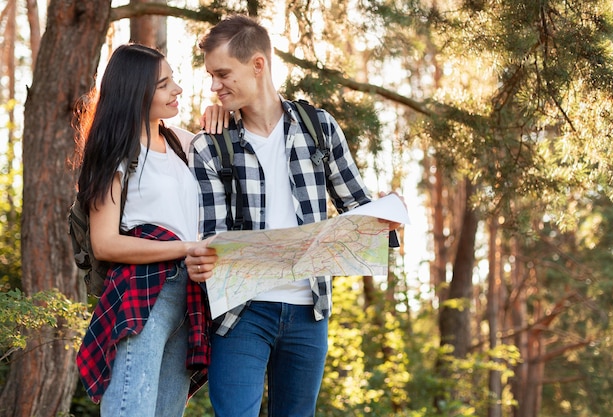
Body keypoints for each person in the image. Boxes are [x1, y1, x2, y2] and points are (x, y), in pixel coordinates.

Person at [185, 15, 403, 417]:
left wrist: (385, 218)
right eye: (211, 77)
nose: (214, 86)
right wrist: (200, 261)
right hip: (240, 315)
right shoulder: (210, 146)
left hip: (309, 312)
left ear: (258, 64)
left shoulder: (319, 129)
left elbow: (357, 205)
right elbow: (212, 239)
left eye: (222, 74)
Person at [73, 43, 217, 417]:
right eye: (164, 84)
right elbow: (104, 243)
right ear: (136, 92)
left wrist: (219, 112)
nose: (178, 90)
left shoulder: (181, 142)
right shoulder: (113, 152)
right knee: (129, 410)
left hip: (191, 297)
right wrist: (185, 248)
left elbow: (237, 140)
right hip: (145, 291)